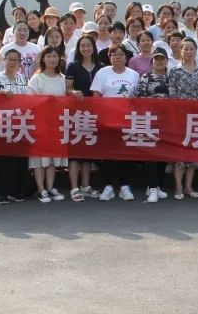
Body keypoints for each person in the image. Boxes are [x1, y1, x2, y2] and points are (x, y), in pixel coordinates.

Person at [90, 44, 140, 201]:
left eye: (121, 54)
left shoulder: (134, 75)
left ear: (126, 57)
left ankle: (125, 186)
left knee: (127, 153)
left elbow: (137, 98)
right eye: (114, 54)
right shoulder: (102, 72)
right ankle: (109, 186)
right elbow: (96, 96)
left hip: (127, 119)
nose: (118, 57)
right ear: (109, 57)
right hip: (107, 119)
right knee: (108, 153)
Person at [24, 47, 68, 204]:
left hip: (57, 124)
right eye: (49, 56)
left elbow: (67, 100)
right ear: (43, 59)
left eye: (55, 56)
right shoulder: (36, 79)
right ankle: (41, 189)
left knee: (52, 159)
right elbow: (29, 101)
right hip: (39, 124)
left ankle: (50, 187)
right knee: (39, 159)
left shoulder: (63, 78)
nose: (52, 59)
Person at [0, 49, 30, 204]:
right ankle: (3, 193)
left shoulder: (24, 78)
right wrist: (0, 93)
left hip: (21, 123)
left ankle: (18, 192)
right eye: (9, 59)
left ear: (20, 63)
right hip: (2, 123)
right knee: (3, 160)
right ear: (4, 60)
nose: (12, 63)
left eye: (15, 60)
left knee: (20, 160)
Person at [64, 34, 102, 201]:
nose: (86, 48)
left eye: (88, 45)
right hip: (76, 113)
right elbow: (67, 89)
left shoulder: (101, 67)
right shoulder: (73, 67)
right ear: (78, 49)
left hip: (94, 115)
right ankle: (74, 188)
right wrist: (74, 92)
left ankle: (86, 186)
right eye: (82, 46)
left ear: (93, 47)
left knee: (87, 152)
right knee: (74, 152)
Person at [168, 37, 198, 199]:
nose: (189, 52)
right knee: (179, 153)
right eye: (186, 49)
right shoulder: (174, 71)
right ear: (180, 51)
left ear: (196, 51)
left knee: (193, 153)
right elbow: (171, 94)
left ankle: (189, 186)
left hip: (197, 116)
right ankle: (178, 186)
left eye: (192, 49)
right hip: (179, 116)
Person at [135, 50, 172, 203]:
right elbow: (140, 96)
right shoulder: (146, 76)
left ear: (167, 61)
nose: (159, 61)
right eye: (156, 59)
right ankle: (152, 188)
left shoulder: (171, 77)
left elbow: (176, 97)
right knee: (151, 154)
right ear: (152, 62)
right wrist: (156, 101)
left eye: (162, 59)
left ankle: (158, 185)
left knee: (163, 153)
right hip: (150, 119)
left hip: (167, 120)